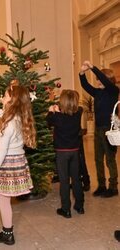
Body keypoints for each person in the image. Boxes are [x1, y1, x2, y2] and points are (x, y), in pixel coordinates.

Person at [0, 82, 36, 245]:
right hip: (14, 161)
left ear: (12, 100)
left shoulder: (9, 123)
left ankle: (7, 233)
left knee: (4, 199)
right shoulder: (14, 116)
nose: (2, 98)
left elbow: (2, 149)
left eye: (4, 96)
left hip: (5, 163)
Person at [79, 61, 119, 198]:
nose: (97, 82)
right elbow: (85, 85)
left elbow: (103, 80)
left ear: (108, 79)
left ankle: (113, 187)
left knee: (110, 159)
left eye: (100, 79)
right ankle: (101, 185)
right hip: (98, 129)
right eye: (97, 80)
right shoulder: (97, 93)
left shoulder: (113, 90)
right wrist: (82, 73)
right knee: (97, 159)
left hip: (109, 130)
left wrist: (92, 67)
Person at [46, 90, 84, 218]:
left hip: (62, 153)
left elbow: (48, 120)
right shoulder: (78, 113)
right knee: (76, 179)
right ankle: (80, 206)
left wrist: (52, 109)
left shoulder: (56, 117)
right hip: (74, 151)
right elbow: (79, 107)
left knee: (64, 181)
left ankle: (65, 209)